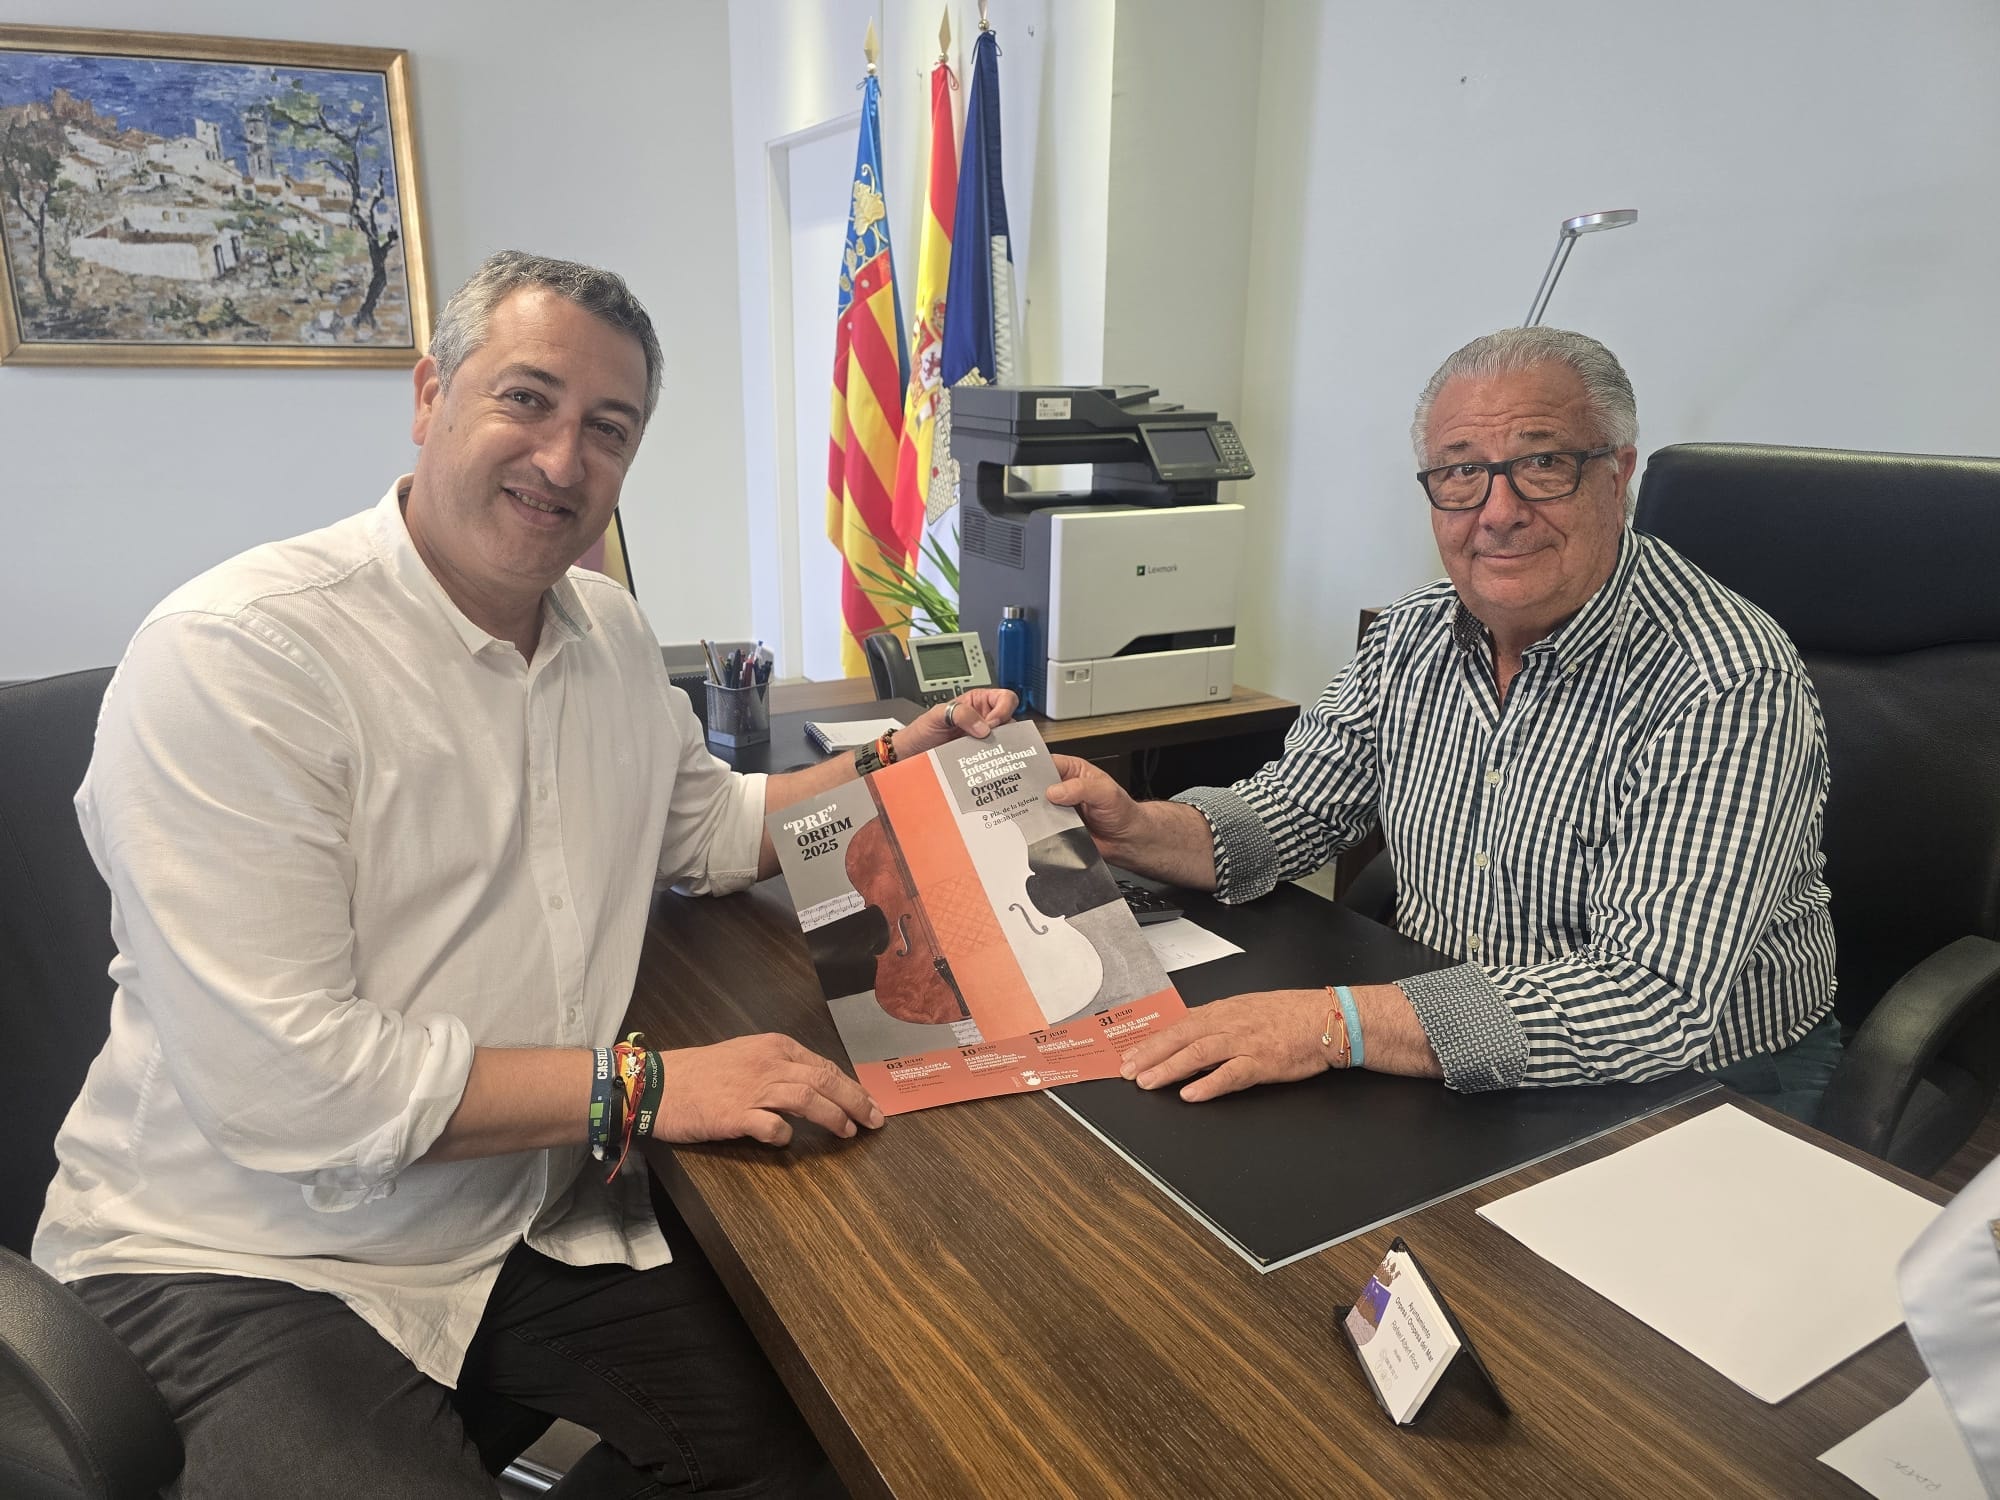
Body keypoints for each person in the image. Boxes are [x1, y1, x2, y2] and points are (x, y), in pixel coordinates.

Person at [33, 250, 1015, 1498]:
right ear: (429, 394)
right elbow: (289, 1091)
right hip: (240, 1252)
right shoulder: (240, 658)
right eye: (526, 399)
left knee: (845, 1429)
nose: (563, 459)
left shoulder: (607, 631)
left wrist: (894, 762)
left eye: (609, 428)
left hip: (510, 1212)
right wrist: (647, 1086)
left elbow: (708, 828)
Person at [1049, 326, 1839, 1119]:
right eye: (1462, 472)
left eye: (1542, 463)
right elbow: (1293, 812)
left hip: (1700, 1085)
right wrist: (1136, 828)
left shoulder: (1725, 679)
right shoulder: (1413, 633)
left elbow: (1650, 997)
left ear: (1617, 474)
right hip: (1446, 1036)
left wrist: (1330, 1024)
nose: (1499, 512)